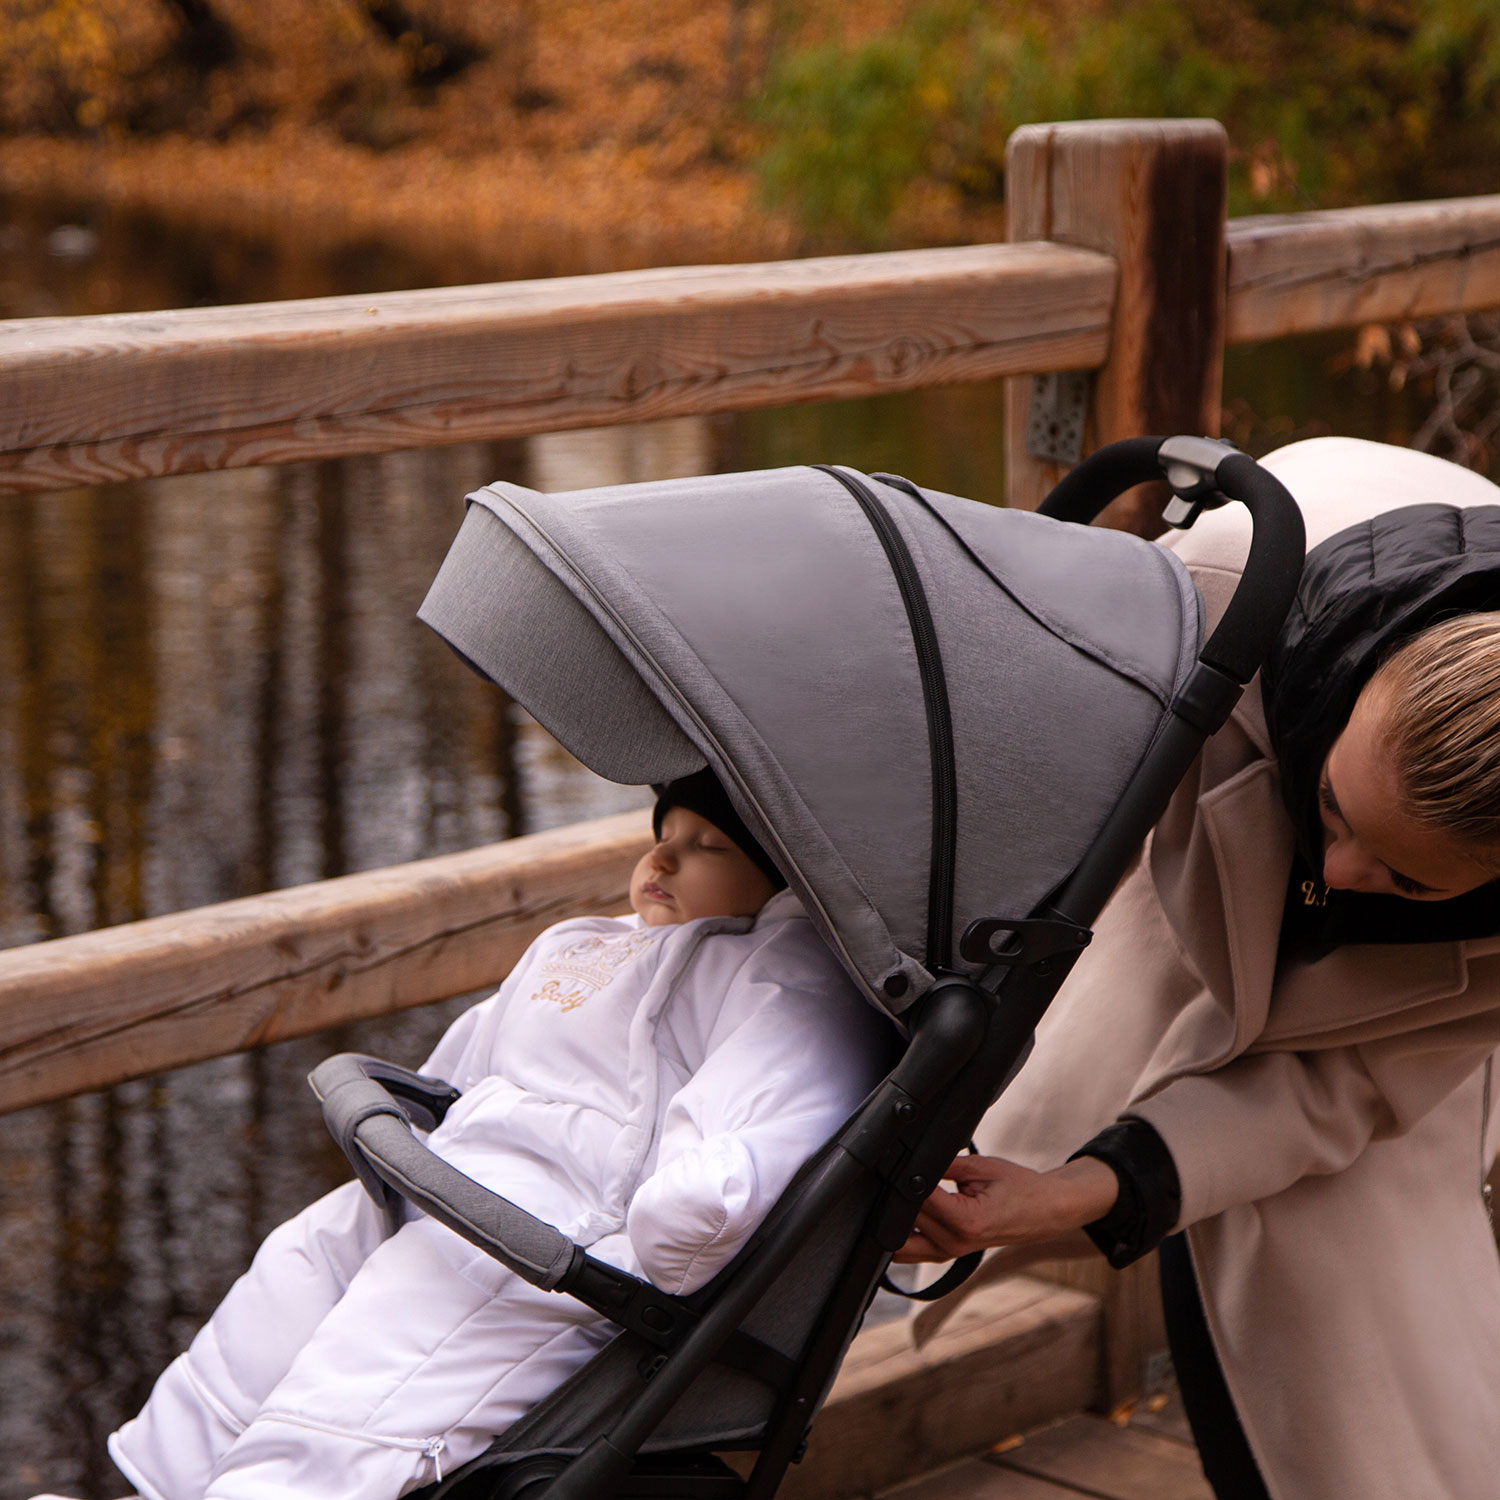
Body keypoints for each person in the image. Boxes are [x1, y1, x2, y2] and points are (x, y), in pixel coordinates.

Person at [897, 437, 1500, 1500]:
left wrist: (1099, 1188)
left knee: (1364, 1390)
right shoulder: (1208, 599)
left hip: (1404, 1062)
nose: (1346, 873)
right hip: (1175, 857)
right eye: (1334, 813)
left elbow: (1345, 1085)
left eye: (1407, 881)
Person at [95, 769, 886, 1500]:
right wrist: (408, 1143)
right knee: (301, 1261)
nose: (663, 859)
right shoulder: (585, 948)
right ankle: (166, 1480)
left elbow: (770, 1105)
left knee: (381, 1365)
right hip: (448, 1185)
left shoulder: (773, 979)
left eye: (707, 846)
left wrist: (688, 1218)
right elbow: (465, 1071)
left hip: (549, 1240)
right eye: (663, 836)